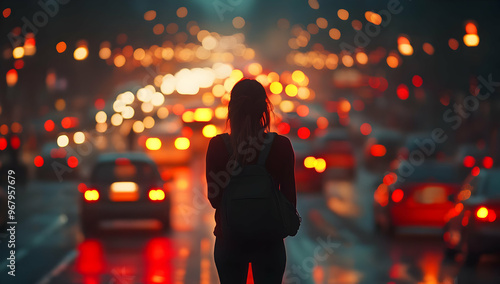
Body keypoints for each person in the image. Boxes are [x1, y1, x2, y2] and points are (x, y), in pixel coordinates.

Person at [206, 79, 297, 283]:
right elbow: (289, 202)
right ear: (264, 109)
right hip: (269, 243)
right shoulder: (281, 146)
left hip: (229, 240)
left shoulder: (218, 146)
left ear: (231, 110)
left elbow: (214, 199)